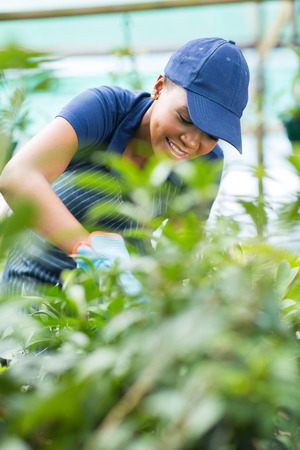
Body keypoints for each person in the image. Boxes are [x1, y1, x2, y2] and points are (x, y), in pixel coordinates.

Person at [0, 37, 250, 297]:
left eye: (212, 135)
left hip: (115, 295)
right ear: (160, 86)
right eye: (184, 118)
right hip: (34, 285)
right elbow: (17, 176)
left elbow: (176, 250)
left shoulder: (206, 163)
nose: (192, 141)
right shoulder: (104, 111)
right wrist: (88, 251)